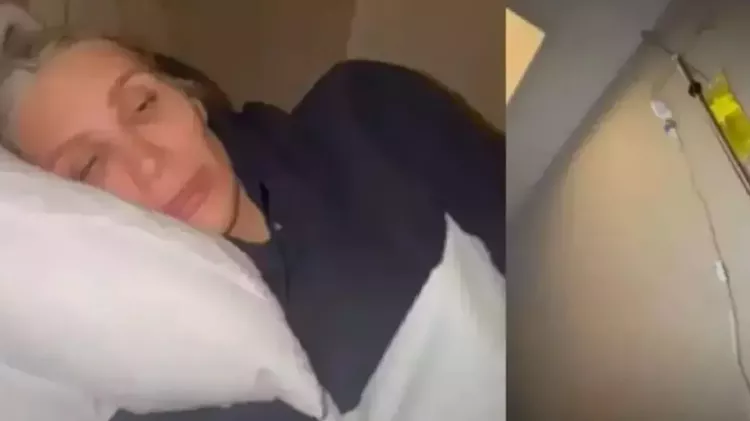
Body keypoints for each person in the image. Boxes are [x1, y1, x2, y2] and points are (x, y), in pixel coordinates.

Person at [0, 30, 504, 421]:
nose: (149, 162)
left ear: (191, 101)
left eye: (143, 104)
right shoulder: (138, 387)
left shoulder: (369, 117)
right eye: (88, 166)